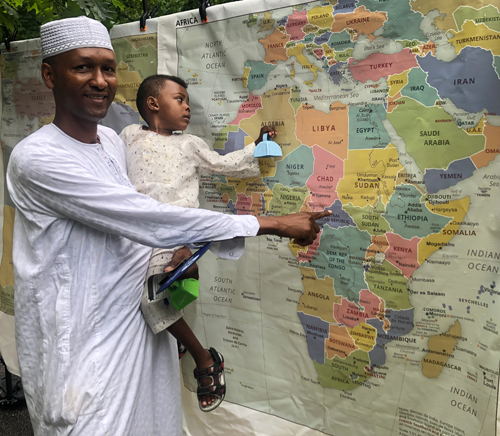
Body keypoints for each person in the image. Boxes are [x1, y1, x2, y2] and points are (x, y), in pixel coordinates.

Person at [6, 16, 330, 436]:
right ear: (50, 75)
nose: (101, 80)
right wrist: (274, 223)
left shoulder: (110, 142)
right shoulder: (39, 159)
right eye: (83, 67)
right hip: (83, 345)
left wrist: (185, 253)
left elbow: (140, 219)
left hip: (137, 327)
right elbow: (144, 216)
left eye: (108, 68)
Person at [120, 74, 277, 412]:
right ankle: (177, 337)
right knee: (141, 300)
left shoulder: (190, 144)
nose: (188, 106)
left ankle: (204, 359)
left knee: (152, 301)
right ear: (153, 104)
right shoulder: (128, 135)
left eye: (188, 101)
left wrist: (258, 145)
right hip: (134, 235)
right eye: (180, 99)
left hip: (177, 235)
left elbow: (225, 166)